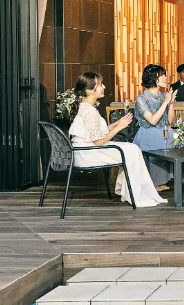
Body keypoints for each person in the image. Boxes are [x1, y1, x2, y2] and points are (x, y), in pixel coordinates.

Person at [67, 72, 167, 207]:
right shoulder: (89, 111)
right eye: (100, 85)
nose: (104, 87)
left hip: (84, 150)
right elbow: (98, 141)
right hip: (88, 153)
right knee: (132, 150)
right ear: (90, 91)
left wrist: (115, 124)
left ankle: (130, 191)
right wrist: (119, 127)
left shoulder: (86, 106)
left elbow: (96, 133)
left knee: (132, 148)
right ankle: (135, 194)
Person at [132, 64, 176, 189]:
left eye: (164, 75)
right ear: (153, 78)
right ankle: (153, 183)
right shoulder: (141, 99)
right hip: (148, 132)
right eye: (161, 75)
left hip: (165, 130)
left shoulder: (163, 95)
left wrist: (171, 103)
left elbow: (170, 120)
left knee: (176, 140)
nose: (165, 78)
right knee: (156, 143)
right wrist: (165, 103)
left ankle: (162, 181)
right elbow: (152, 120)